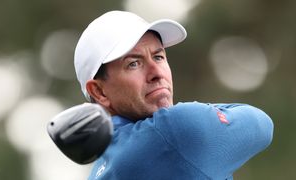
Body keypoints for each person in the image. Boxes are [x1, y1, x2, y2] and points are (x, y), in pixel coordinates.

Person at [74, 10, 274, 180]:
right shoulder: (173, 132)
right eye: (134, 63)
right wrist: (198, 114)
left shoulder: (99, 169)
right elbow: (261, 124)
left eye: (158, 56)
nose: (156, 73)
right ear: (99, 92)